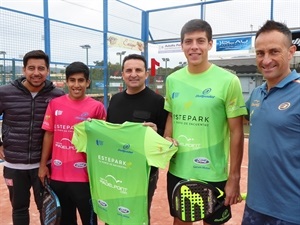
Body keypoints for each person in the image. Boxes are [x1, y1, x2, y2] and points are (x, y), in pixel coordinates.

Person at [163, 19, 247, 225]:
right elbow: (172, 116)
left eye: (200, 41)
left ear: (210, 44)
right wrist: (166, 138)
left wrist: (234, 178)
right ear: (182, 45)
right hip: (178, 171)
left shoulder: (228, 81)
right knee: (181, 222)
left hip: (214, 172)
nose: (194, 46)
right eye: (188, 41)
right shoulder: (172, 80)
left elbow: (237, 132)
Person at [242, 20, 300, 225]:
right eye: (260, 53)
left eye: (274, 51)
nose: (266, 60)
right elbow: (232, 119)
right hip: (254, 206)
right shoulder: (257, 93)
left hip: (291, 212)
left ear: (291, 51)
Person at [0, 50, 65, 225]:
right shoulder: (5, 93)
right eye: (31, 68)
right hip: (14, 164)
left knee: (47, 209)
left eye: (41, 68)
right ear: (24, 70)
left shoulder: (57, 95)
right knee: (19, 209)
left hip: (44, 166)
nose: (36, 73)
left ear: (48, 71)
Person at [38, 61, 106, 225]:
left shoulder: (97, 107)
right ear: (67, 81)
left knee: (89, 221)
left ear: (87, 82)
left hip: (85, 178)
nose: (76, 85)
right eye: (72, 80)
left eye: (81, 80)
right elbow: (49, 134)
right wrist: (42, 165)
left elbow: (102, 142)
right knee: (66, 221)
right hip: (58, 177)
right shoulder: (55, 104)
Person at [106, 53, 168, 224]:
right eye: (129, 70)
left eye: (138, 70)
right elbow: (110, 132)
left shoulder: (157, 101)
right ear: (123, 74)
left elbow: (167, 138)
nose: (133, 74)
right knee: (114, 211)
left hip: (144, 172)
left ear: (146, 74)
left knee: (138, 215)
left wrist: (157, 131)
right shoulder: (115, 100)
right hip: (116, 168)